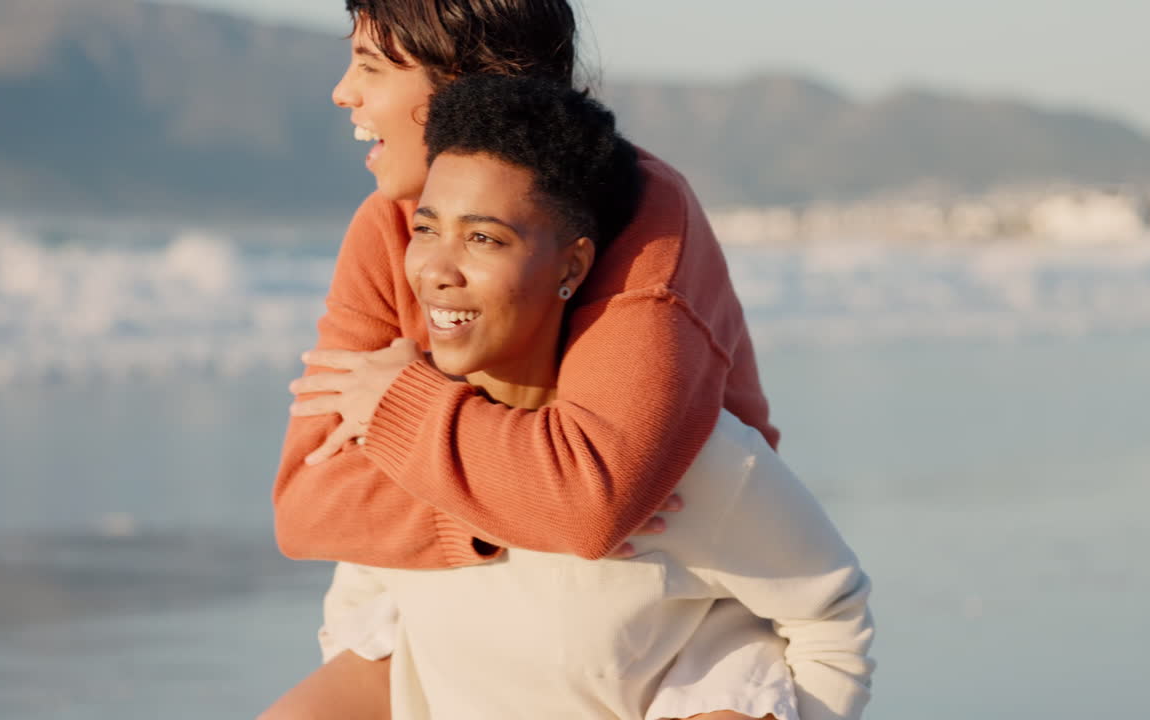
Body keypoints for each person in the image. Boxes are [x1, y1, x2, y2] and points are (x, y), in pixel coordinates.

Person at [279, 73, 874, 720]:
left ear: (572, 267)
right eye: (426, 229)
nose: (437, 270)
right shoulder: (396, 431)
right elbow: (360, 596)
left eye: (484, 239)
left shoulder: (684, 463)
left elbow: (833, 614)